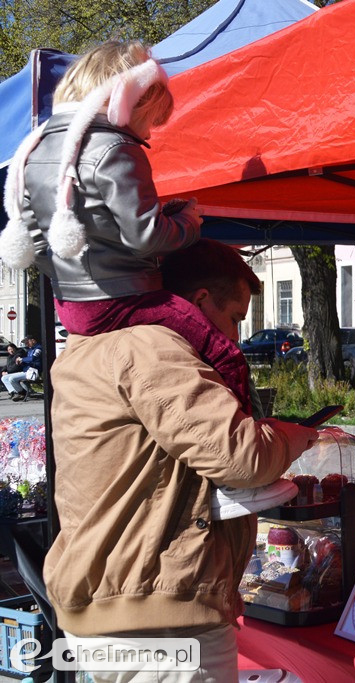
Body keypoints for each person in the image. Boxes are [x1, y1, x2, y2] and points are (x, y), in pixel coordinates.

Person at [0, 41, 292, 518]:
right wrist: (191, 224)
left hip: (72, 302)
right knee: (223, 352)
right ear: (131, 100)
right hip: (123, 294)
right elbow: (146, 237)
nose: (150, 131)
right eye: (151, 118)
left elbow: (40, 232)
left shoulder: (38, 147)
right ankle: (243, 484)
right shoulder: (115, 148)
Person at [43, 238, 319, 683]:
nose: (233, 336)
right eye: (234, 318)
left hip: (119, 608)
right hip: (153, 620)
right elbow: (242, 457)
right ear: (200, 300)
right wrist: (289, 436)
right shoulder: (148, 347)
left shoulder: (95, 344)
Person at [2, 335, 42, 401]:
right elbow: (27, 361)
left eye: (27, 342)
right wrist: (21, 362)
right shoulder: (30, 350)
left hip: (34, 371)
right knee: (4, 378)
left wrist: (21, 359)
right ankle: (14, 392)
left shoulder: (38, 348)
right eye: (25, 342)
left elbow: (33, 358)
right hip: (27, 371)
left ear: (33, 340)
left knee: (12, 378)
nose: (26, 343)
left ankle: (22, 393)